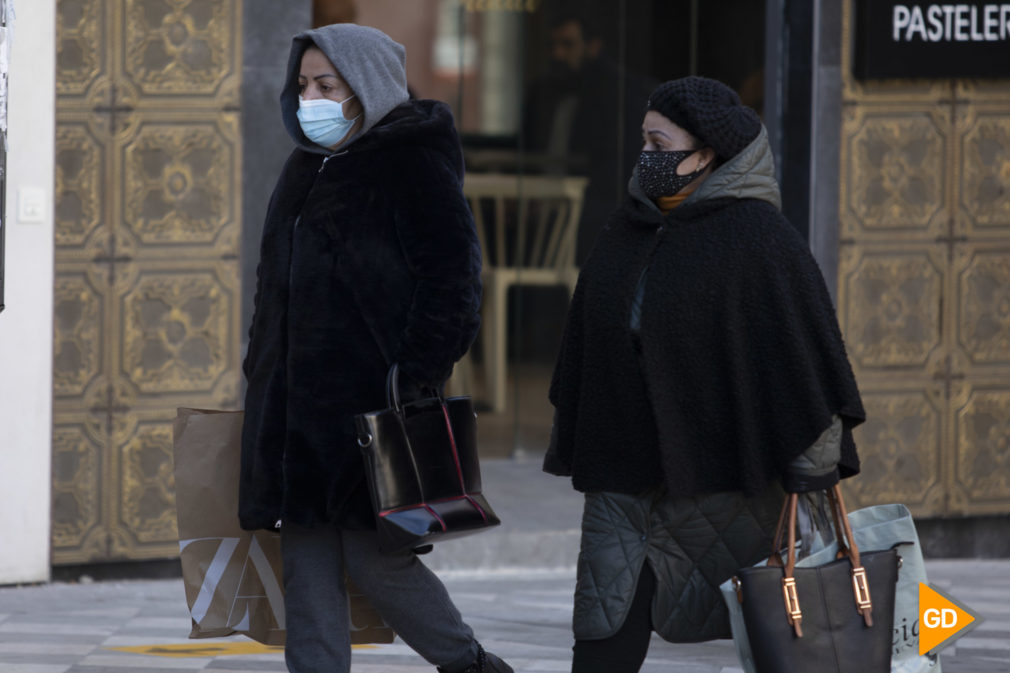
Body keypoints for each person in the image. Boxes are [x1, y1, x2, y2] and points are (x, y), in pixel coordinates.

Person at [544, 76, 866, 672]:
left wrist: (812, 472)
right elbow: (587, 340)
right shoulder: (627, 228)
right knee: (602, 632)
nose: (645, 157)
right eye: (643, 141)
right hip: (625, 474)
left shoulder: (761, 240)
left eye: (658, 143)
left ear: (706, 155)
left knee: (781, 629)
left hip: (726, 478)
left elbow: (804, 361)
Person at [239, 23, 512, 673]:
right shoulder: (304, 166)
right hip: (295, 415)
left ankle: (470, 663)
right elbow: (271, 281)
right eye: (303, 85)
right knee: (305, 567)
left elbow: (453, 279)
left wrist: (414, 375)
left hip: (370, 410)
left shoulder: (409, 160)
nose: (311, 98)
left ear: (366, 87)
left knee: (376, 560)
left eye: (327, 85)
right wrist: (261, 366)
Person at [522, 10, 655, 264]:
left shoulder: (617, 96)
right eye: (553, 45)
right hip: (540, 210)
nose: (558, 54)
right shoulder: (541, 94)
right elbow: (528, 151)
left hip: (590, 211)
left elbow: (616, 167)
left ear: (592, 47)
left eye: (568, 44)